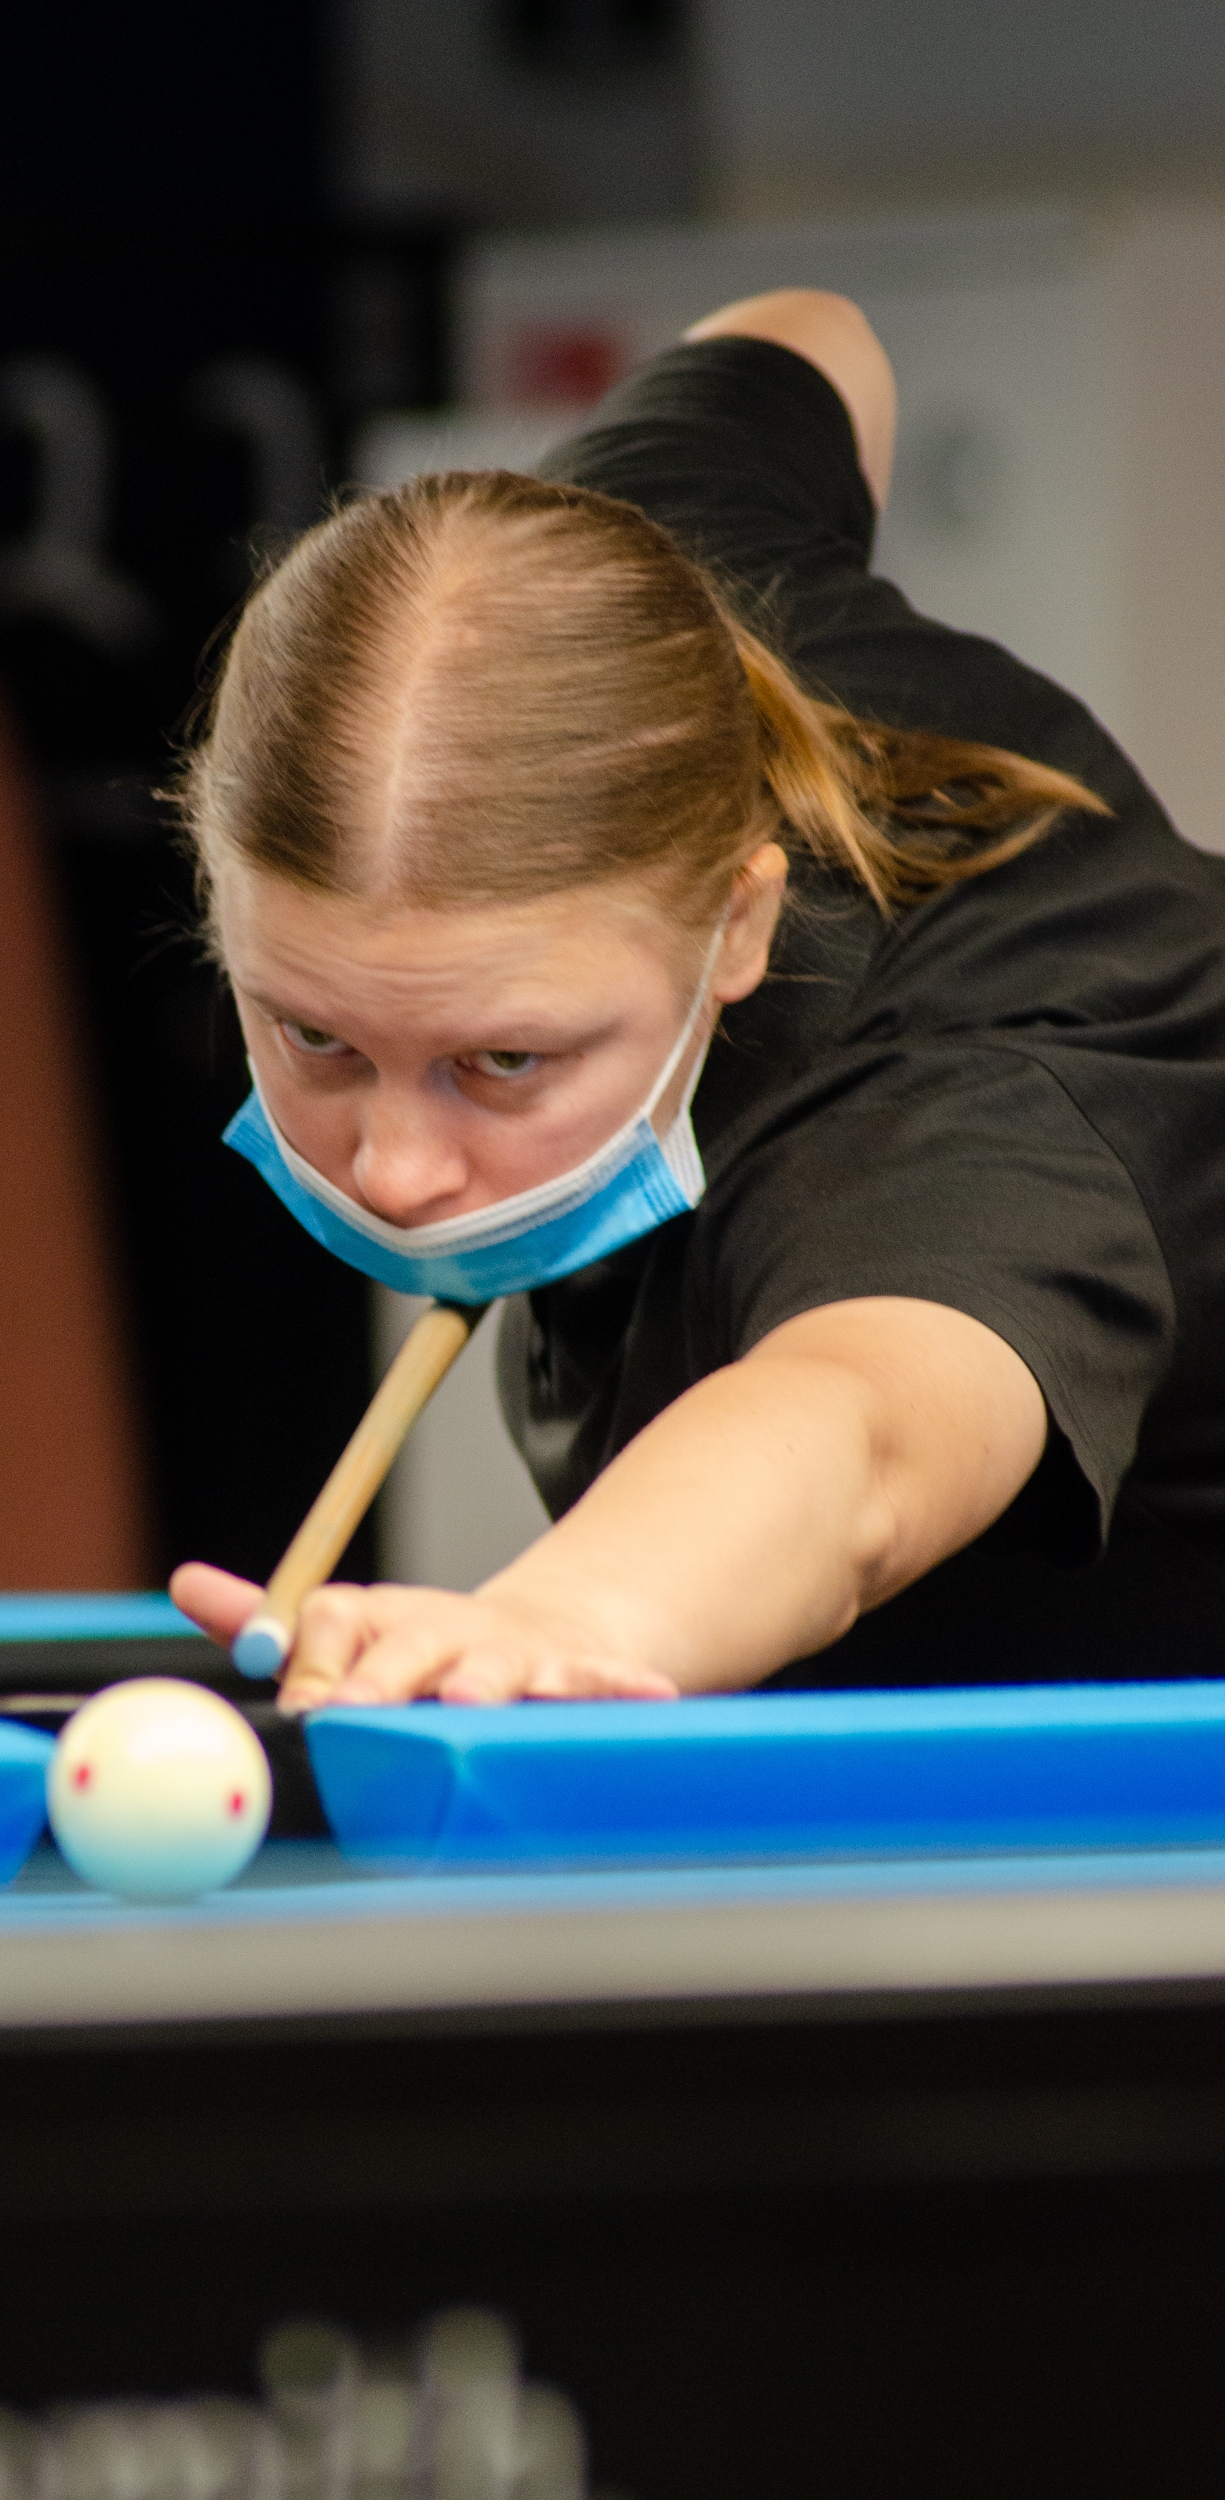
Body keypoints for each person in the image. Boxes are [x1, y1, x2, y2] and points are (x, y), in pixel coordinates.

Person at [167, 288, 1225, 1714]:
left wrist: (555, 1618)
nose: (397, 1173)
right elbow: (810, 332)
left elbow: (855, 1447)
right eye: (316, 1035)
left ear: (738, 924)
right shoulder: (601, 614)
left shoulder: (969, 1115)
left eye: (502, 1058)